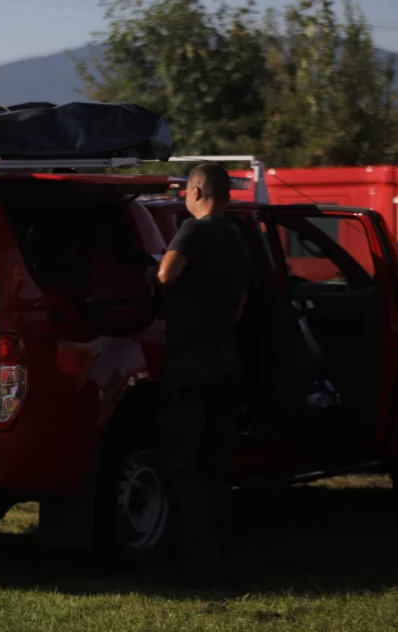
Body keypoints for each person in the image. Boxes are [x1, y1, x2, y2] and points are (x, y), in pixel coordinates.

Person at [153, 163, 255, 585]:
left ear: (195, 192)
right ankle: (224, 552)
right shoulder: (239, 239)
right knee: (216, 466)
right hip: (226, 359)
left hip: (190, 362)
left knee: (182, 465)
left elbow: (166, 273)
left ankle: (201, 564)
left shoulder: (195, 232)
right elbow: (237, 312)